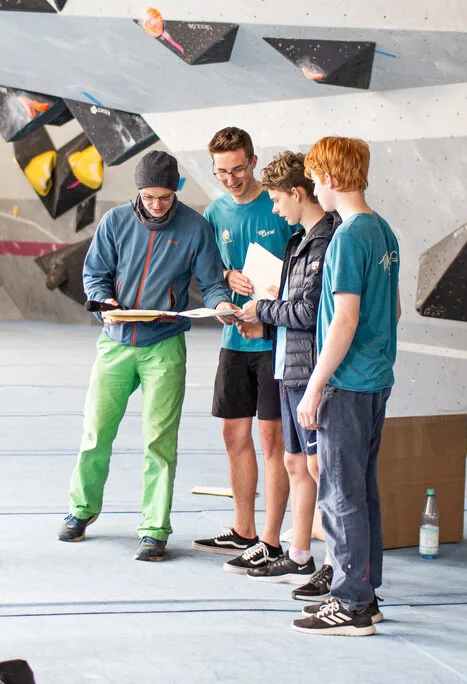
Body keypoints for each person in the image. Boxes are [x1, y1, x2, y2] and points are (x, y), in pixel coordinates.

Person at [58, 150, 239, 562]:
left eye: (165, 197)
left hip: (164, 347)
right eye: (149, 197)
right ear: (138, 191)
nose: (157, 205)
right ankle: (81, 509)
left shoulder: (195, 228)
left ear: (176, 191)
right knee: (95, 433)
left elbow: (211, 283)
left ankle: (154, 530)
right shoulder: (115, 222)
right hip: (115, 343)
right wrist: (103, 302)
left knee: (159, 442)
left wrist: (221, 304)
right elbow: (95, 274)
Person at [288, 137, 401, 636]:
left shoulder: (347, 237)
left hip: (346, 383)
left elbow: (344, 319)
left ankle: (351, 603)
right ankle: (365, 595)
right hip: (375, 380)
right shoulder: (383, 230)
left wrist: (315, 386)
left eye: (315, 180)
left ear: (330, 179)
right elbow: (393, 309)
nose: (314, 189)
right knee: (362, 491)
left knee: (339, 494)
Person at [233, 151, 338, 593]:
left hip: (310, 369)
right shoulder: (298, 242)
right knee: (296, 462)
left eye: (277, 200)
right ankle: (299, 555)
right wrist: (270, 310)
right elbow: (293, 305)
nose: (274, 209)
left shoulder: (327, 240)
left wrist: (263, 308)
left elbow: (310, 312)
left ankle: (335, 564)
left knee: (320, 467)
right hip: (288, 365)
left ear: (297, 193)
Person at [191, 128, 293, 574]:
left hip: (275, 339)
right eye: (221, 172)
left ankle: (271, 540)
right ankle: (243, 529)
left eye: (237, 169)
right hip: (235, 339)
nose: (230, 179)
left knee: (273, 441)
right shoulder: (214, 212)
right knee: (234, 436)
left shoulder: (278, 205)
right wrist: (226, 277)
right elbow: (210, 273)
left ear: (253, 162)